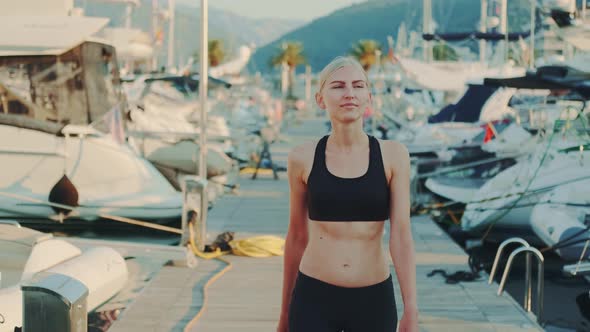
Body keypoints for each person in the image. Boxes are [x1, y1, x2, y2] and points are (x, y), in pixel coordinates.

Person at [277, 56, 418, 332]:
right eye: (339, 86)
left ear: (368, 97)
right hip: (313, 297)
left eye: (358, 86)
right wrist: (284, 313)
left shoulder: (393, 156)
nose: (349, 93)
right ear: (320, 99)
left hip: (373, 299)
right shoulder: (302, 158)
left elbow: (401, 236)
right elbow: (296, 236)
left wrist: (411, 307)